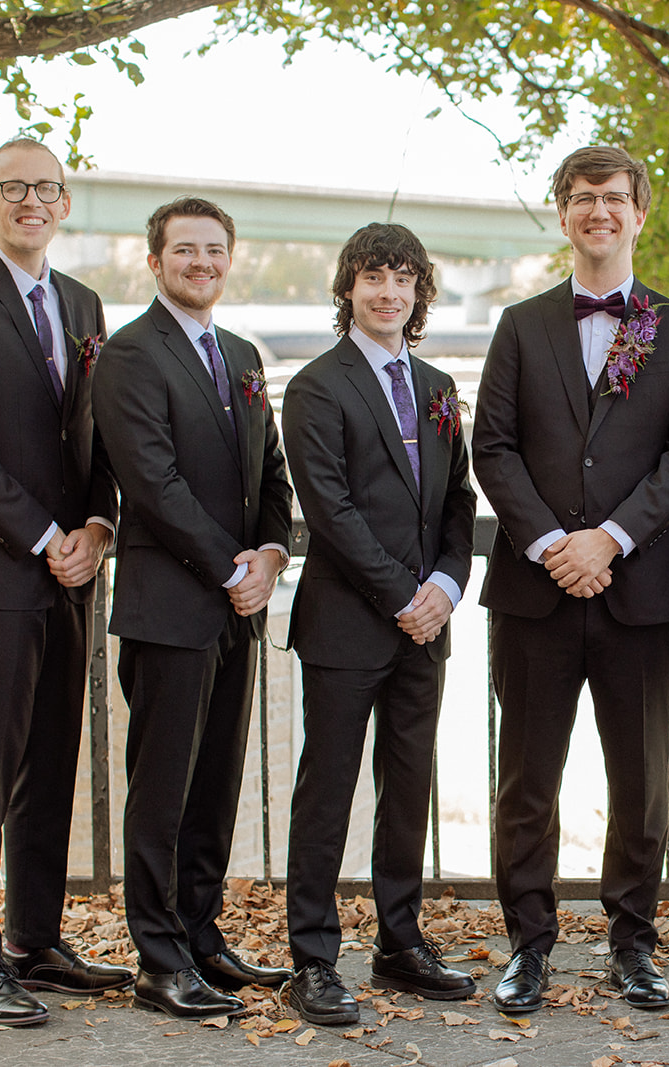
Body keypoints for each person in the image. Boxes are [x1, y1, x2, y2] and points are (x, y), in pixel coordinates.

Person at [472, 145, 669, 1012]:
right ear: (564, 212)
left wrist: (608, 539)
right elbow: (490, 447)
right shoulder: (519, 325)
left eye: (614, 197)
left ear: (640, 212)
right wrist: (550, 544)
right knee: (527, 780)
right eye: (582, 198)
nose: (598, 211)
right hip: (536, 593)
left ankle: (631, 944)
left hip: (642, 593)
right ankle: (528, 947)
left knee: (640, 779)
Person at [0, 137, 132, 1027]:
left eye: (46, 188)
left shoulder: (82, 304)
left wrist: (96, 527)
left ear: (65, 203)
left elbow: (96, 437)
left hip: (70, 574)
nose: (31, 201)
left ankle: (33, 941)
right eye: (13, 189)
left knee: (51, 762)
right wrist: (46, 534)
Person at [91, 197, 294, 1019]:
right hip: (168, 608)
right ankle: (159, 959)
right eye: (185, 250)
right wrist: (229, 567)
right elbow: (152, 483)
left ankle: (203, 938)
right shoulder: (130, 354)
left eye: (214, 250)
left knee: (215, 786)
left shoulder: (242, 354)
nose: (201, 262)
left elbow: (271, 472)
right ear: (155, 261)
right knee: (162, 791)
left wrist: (272, 557)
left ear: (228, 258)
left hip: (237, 607)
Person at [279, 223, 478, 1026]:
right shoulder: (318, 386)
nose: (389, 291)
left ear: (419, 292)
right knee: (327, 792)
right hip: (346, 625)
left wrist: (445, 586)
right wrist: (403, 594)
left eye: (403, 278)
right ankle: (314, 958)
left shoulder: (435, 384)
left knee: (408, 789)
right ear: (349, 288)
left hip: (426, 626)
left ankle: (400, 944)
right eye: (374, 277)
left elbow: (460, 499)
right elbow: (330, 508)